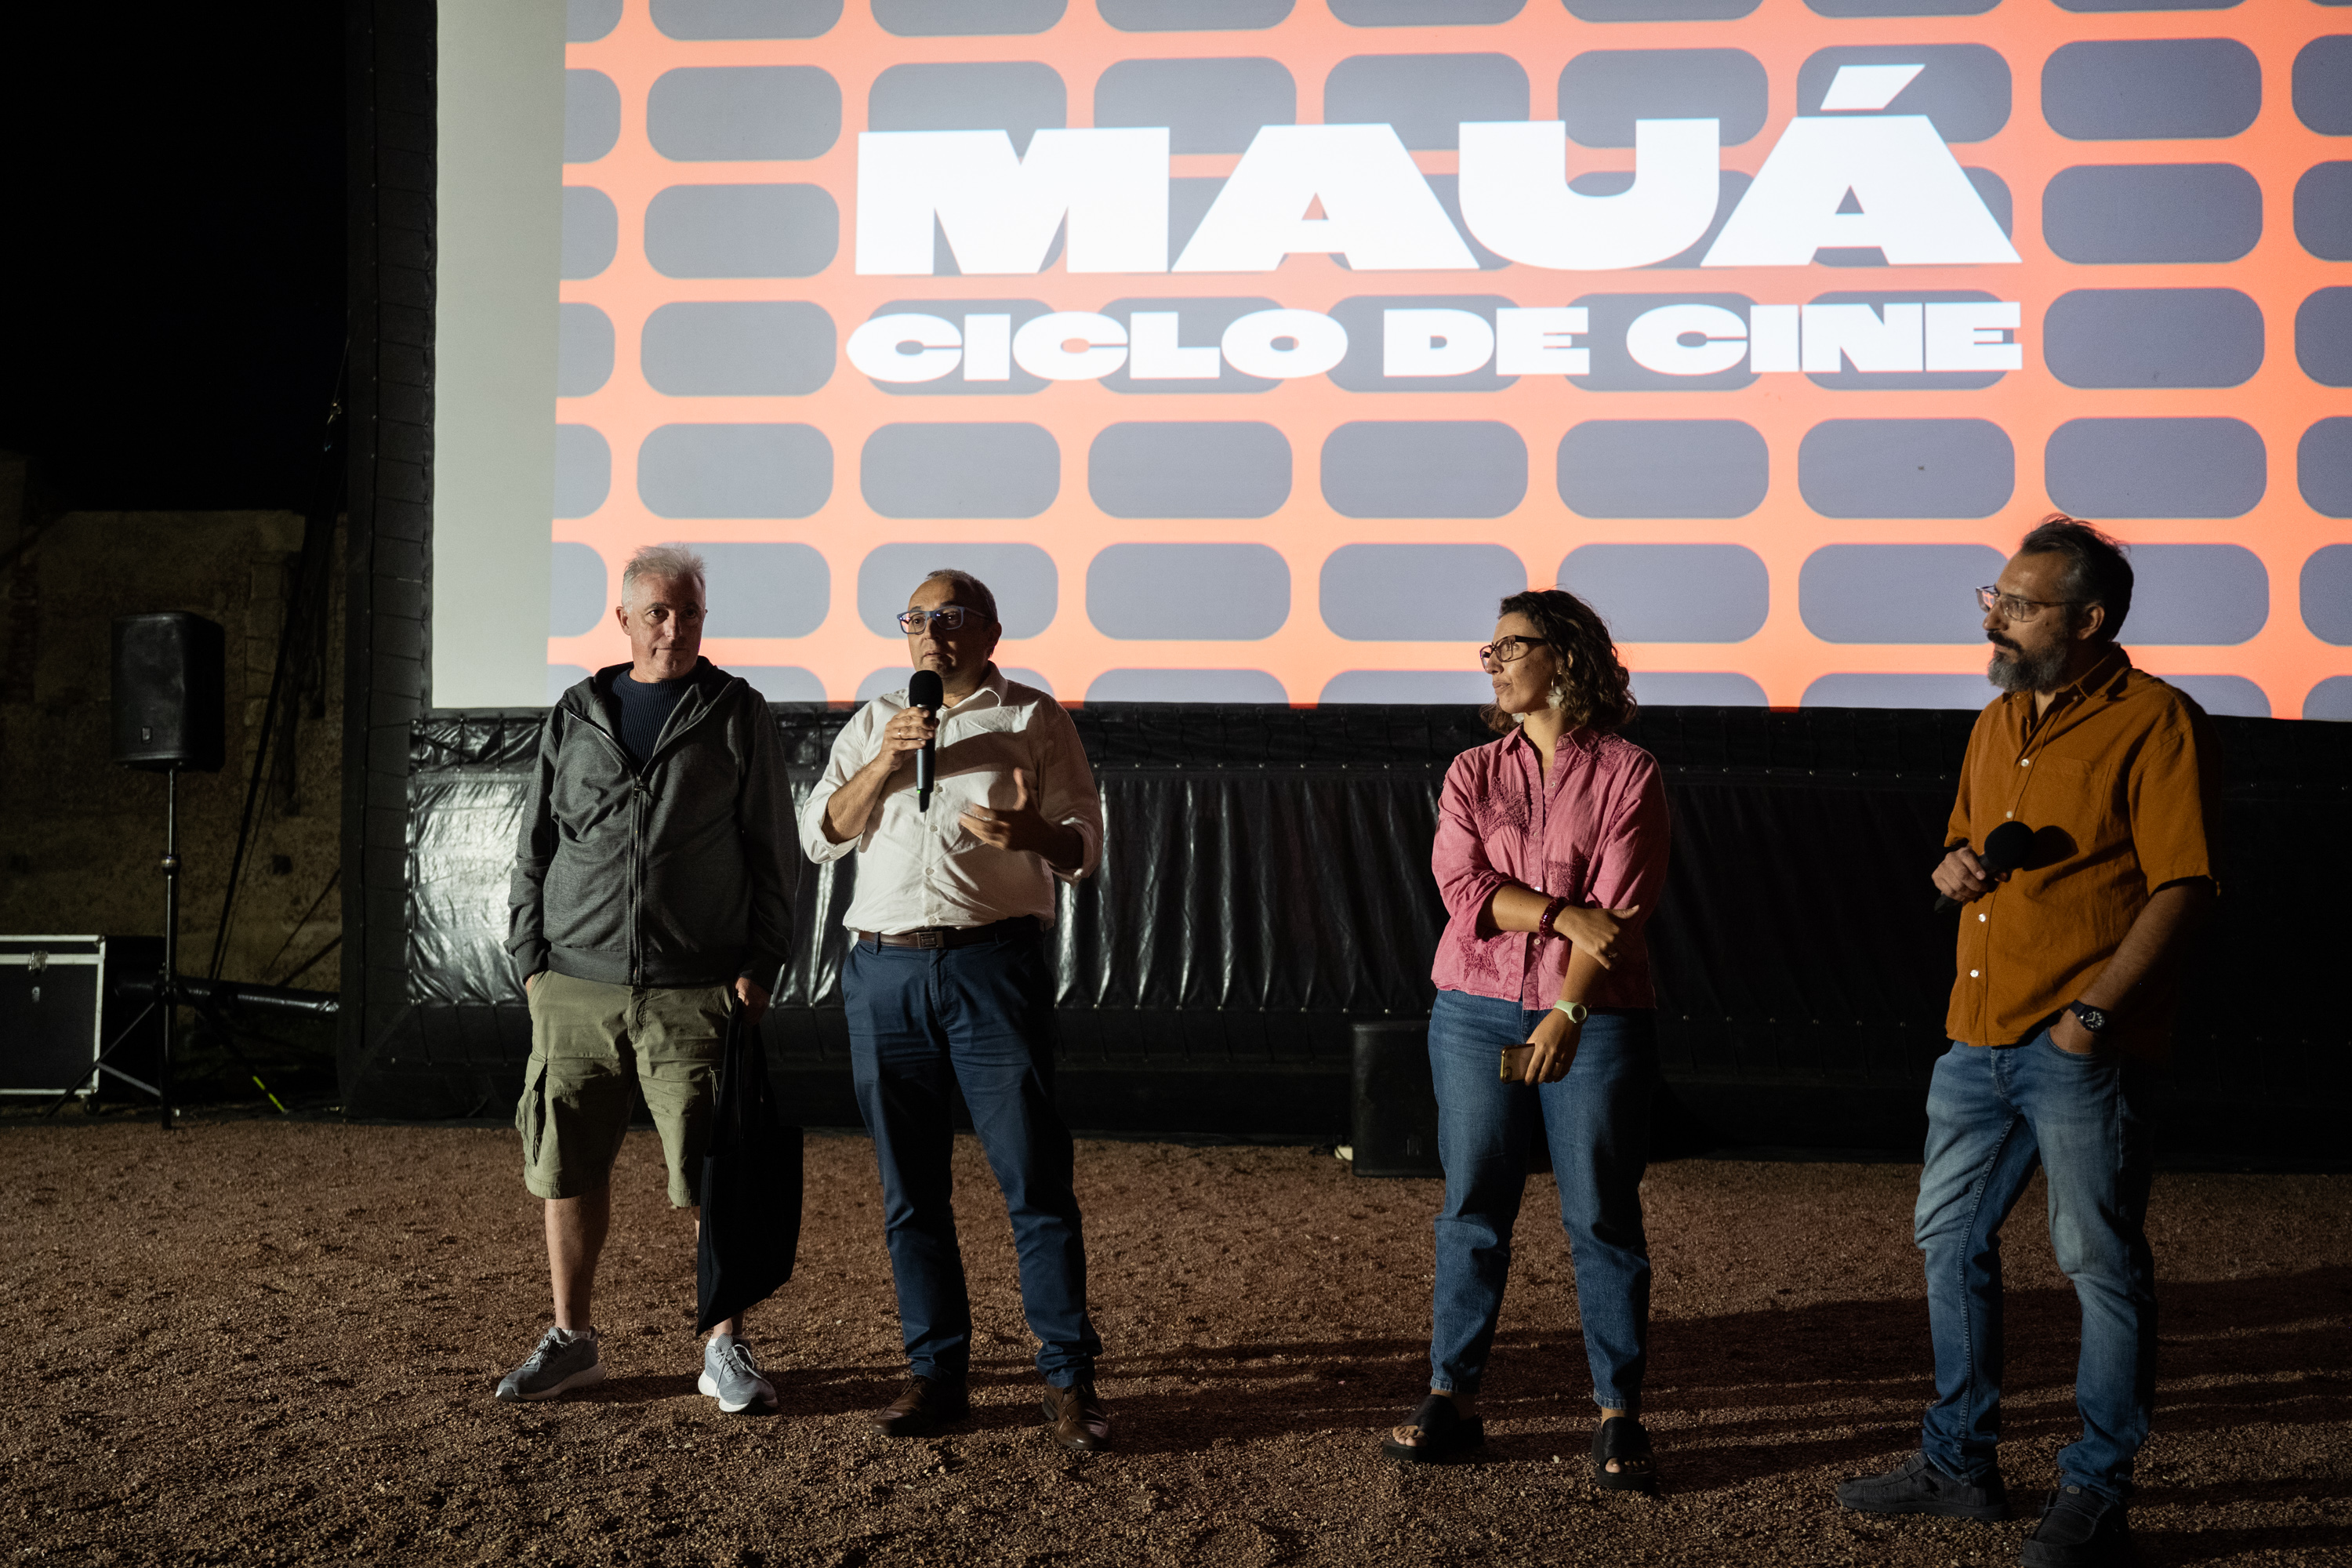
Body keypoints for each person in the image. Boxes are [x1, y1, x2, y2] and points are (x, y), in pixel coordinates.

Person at [1837, 517, 2219, 1568]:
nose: (1993, 619)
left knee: (2098, 1261)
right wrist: (1951, 865)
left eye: (2017, 603)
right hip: (1975, 1037)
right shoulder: (1998, 721)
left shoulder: (2157, 722)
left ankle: (2097, 1490)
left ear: (2088, 620)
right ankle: (1959, 1465)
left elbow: (2182, 885)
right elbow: (1965, 842)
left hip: (2078, 1046)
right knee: (1947, 1241)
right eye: (1992, 598)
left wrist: (2092, 1017)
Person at [798, 568, 1112, 1451]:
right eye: (917, 619)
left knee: (1035, 1181)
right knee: (911, 1190)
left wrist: (1037, 835)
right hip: (885, 973)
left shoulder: (1034, 717)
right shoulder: (876, 720)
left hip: (991, 968)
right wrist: (886, 761)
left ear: (990, 633)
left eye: (951, 617)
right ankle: (936, 1374)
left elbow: (1085, 843)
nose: (931, 634)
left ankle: (1069, 1379)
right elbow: (819, 834)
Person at [496, 543, 799, 1414]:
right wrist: (531, 965)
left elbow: (773, 851)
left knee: (712, 1179)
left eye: (690, 612)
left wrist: (760, 966)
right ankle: (572, 1341)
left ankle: (723, 1346)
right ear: (624, 618)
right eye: (658, 613)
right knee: (566, 1168)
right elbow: (534, 848)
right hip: (573, 990)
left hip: (695, 991)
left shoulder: (736, 711)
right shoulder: (576, 712)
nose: (675, 629)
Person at [1382, 588, 1671, 1491]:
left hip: (1596, 1017)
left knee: (1600, 1214)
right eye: (1491, 649)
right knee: (1472, 1208)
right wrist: (1559, 912)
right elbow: (1463, 889)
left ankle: (1619, 1412)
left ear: (1566, 655)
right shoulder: (1472, 770)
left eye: (1511, 645)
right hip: (1473, 1009)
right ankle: (1452, 1398)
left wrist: (1568, 1010)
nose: (1494, 662)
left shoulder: (1629, 771)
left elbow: (1618, 914)